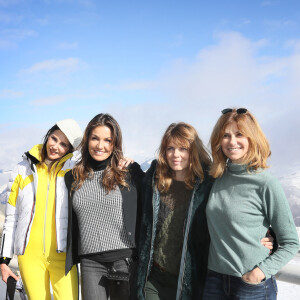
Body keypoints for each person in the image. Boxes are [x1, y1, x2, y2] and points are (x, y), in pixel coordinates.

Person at [136, 122, 274, 300]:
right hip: (154, 277)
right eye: (170, 148)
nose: (176, 154)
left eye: (183, 149)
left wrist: (270, 236)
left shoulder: (208, 184)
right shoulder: (153, 182)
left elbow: (233, 211)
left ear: (192, 151)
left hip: (190, 281)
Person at [203, 108, 300, 300]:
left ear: (252, 139)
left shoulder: (266, 183)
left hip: (251, 285)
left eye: (240, 134)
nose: (232, 142)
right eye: (226, 135)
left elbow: (291, 242)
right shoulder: (215, 178)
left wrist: (257, 274)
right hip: (214, 280)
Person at [0, 119, 82, 300]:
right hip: (29, 256)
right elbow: (11, 217)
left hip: (63, 257)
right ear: (48, 136)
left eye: (63, 144)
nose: (56, 146)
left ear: (69, 150)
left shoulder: (75, 171)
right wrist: (4, 260)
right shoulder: (22, 170)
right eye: (54, 139)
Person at [65, 113, 144, 300]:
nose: (100, 146)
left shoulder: (129, 173)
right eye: (95, 138)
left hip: (125, 261)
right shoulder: (73, 178)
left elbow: (146, 210)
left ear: (115, 144)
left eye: (107, 140)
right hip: (90, 262)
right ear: (87, 140)